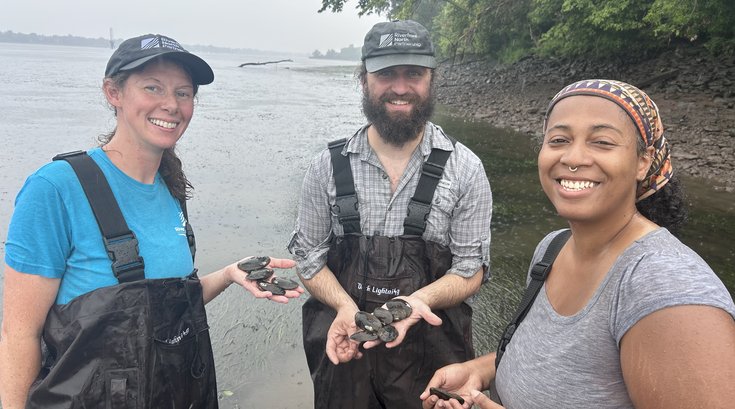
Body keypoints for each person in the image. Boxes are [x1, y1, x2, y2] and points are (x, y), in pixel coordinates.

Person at [0, 33, 302, 408]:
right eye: (152, 87)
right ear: (113, 92)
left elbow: (162, 314)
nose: (171, 105)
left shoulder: (171, 188)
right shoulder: (55, 188)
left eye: (184, 92)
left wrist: (228, 274)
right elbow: (18, 336)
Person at [420, 79, 735, 409]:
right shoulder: (553, 248)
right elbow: (553, 358)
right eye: (559, 140)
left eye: (602, 142)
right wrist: (479, 370)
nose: (574, 157)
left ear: (643, 162)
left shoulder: (666, 286)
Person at [288, 20, 492, 409]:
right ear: (364, 78)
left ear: (432, 78)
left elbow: (471, 268)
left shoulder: (466, 169)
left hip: (432, 362)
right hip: (344, 350)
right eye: (385, 74)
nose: (400, 88)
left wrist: (418, 303)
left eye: (413, 73)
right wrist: (346, 308)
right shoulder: (326, 167)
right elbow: (309, 259)